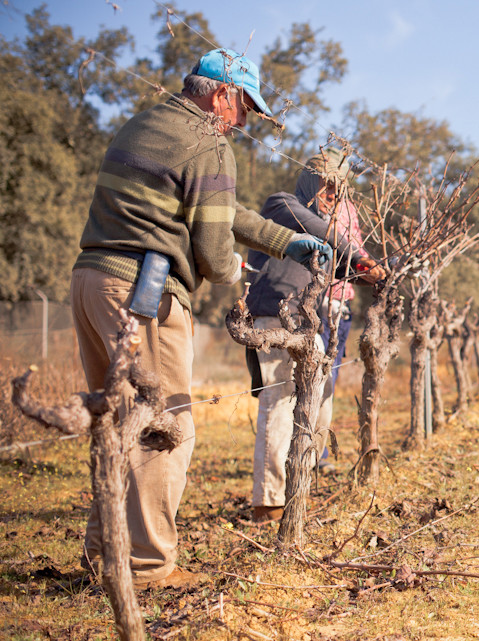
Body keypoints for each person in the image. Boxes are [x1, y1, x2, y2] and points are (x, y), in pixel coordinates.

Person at [71, 48, 333, 589]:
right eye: (245, 110)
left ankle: (105, 555)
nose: (244, 124)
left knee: (118, 421)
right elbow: (215, 255)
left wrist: (287, 243)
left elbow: (221, 209)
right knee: (166, 427)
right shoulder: (210, 142)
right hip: (143, 296)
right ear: (221, 96)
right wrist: (226, 268)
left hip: (92, 280)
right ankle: (148, 567)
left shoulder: (145, 122)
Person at [244, 148, 382, 523]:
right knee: (279, 403)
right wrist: (356, 254)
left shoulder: (330, 237)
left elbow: (344, 265)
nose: (332, 195)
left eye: (339, 190)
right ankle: (268, 502)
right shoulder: (282, 205)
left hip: (310, 324)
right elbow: (319, 228)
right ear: (308, 181)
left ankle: (297, 490)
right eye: (326, 186)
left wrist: (371, 270)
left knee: (321, 405)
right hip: (274, 318)